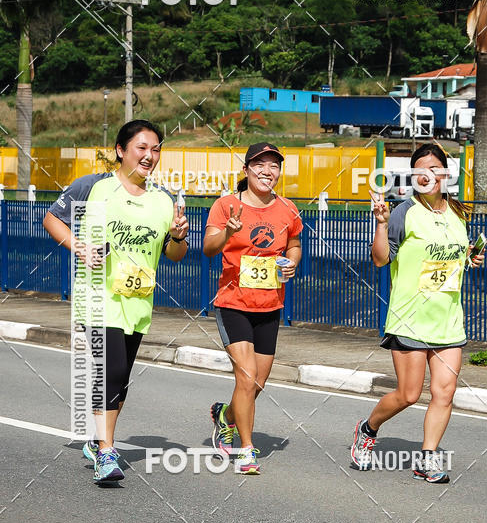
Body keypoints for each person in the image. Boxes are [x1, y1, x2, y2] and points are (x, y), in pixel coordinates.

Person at [43, 120, 188, 484]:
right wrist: (78, 246)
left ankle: (97, 441)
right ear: (121, 150)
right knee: (111, 369)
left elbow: (174, 255)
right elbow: (52, 218)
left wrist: (177, 236)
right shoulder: (93, 186)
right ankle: (106, 451)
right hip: (97, 298)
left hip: (137, 303)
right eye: (141, 147)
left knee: (120, 378)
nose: (149, 156)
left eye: (155, 149)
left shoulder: (162, 200)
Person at [351, 143, 485, 481]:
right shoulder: (402, 212)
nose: (428, 174)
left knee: (445, 392)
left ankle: (427, 457)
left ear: (445, 174)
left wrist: (470, 256)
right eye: (420, 169)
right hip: (410, 319)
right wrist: (380, 224)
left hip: (448, 320)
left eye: (435, 169)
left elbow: (449, 257)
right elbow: (381, 259)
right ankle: (368, 429)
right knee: (409, 394)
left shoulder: (457, 212)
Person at [203, 142, 302, 475]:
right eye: (260, 164)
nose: (267, 171)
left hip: (270, 304)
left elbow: (294, 243)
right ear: (246, 170)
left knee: (256, 383)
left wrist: (291, 263)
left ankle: (225, 416)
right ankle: (246, 449)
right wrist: (227, 233)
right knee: (245, 377)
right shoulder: (226, 205)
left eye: (274, 165)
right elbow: (207, 248)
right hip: (234, 303)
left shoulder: (288, 209)